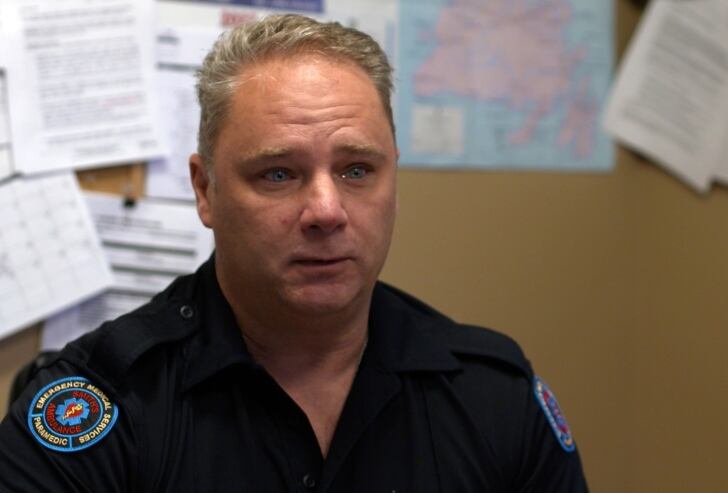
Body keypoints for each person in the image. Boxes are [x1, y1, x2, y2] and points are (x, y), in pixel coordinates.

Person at [0, 14, 587, 492]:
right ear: (205, 190)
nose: (327, 211)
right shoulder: (99, 406)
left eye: (358, 170)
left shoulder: (491, 398)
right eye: (278, 173)